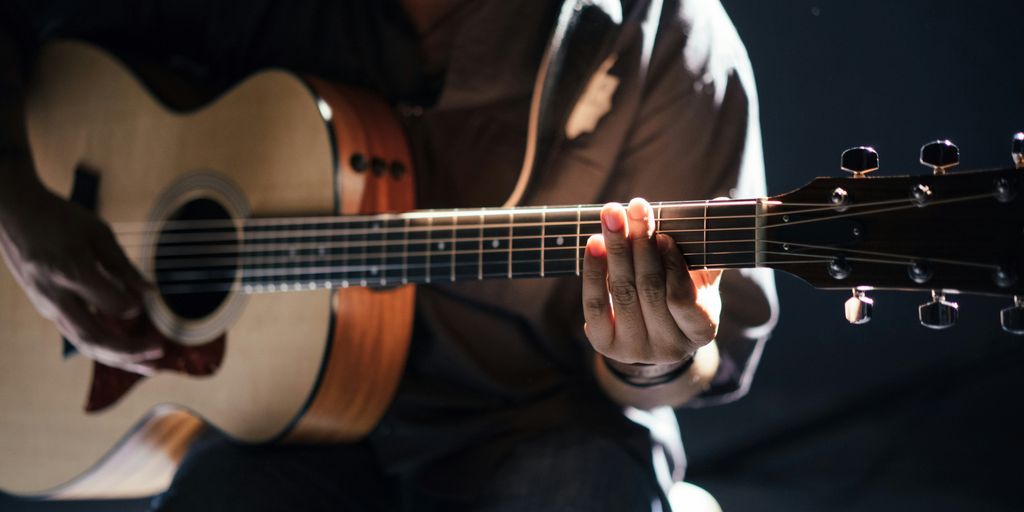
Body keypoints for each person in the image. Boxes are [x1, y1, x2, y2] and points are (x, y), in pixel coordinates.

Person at [0, 0, 777, 510]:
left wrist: (652, 356)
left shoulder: (667, 36)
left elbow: (700, 362)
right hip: (281, 429)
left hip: (536, 424)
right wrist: (17, 204)